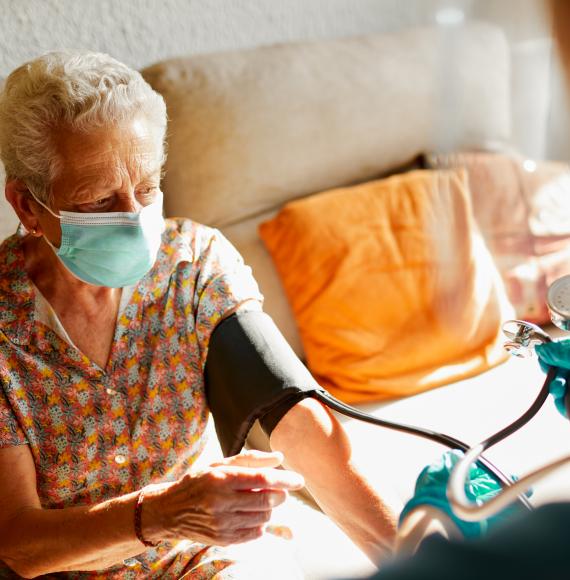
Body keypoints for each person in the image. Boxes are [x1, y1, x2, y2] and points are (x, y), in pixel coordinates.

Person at [0, 51, 397, 578]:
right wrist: (159, 515)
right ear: (28, 205)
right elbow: (19, 545)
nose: (134, 217)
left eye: (145, 188)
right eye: (98, 201)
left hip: (211, 557)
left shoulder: (192, 264)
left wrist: (428, 563)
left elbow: (304, 430)